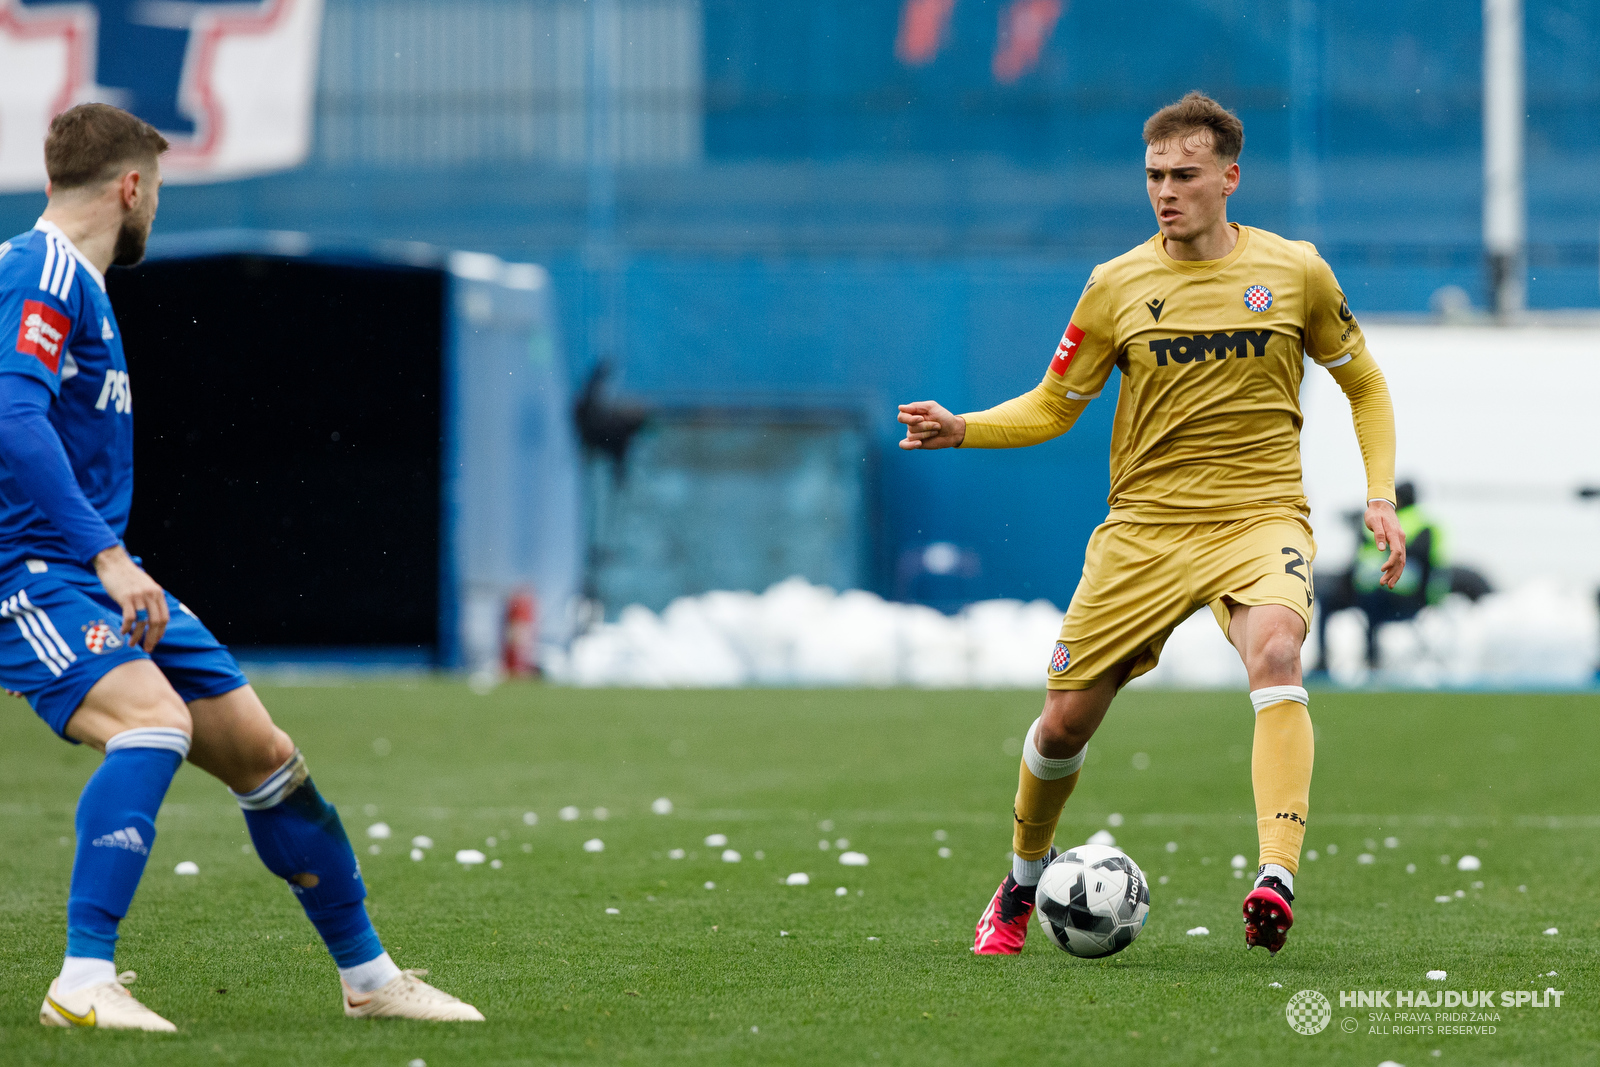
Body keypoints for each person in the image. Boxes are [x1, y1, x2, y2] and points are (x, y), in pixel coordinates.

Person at [0, 104, 482, 1031]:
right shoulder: (41, 268)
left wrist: (109, 558)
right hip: (34, 571)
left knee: (267, 757)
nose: (157, 213)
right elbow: (14, 418)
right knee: (152, 724)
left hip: (98, 568)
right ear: (131, 186)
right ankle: (82, 979)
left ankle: (371, 978)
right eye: (160, 194)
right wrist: (103, 554)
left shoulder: (80, 284)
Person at [895, 92, 1404, 957]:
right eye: (1154, 176)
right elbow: (1057, 405)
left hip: (1258, 516)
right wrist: (964, 426)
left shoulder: (1296, 273)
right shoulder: (1116, 284)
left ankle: (1275, 874)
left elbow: (1365, 384)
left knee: (1277, 650)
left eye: (1184, 174)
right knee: (1062, 724)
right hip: (1144, 530)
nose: (1165, 191)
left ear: (1230, 178)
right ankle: (1020, 885)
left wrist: (1381, 495)